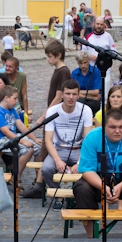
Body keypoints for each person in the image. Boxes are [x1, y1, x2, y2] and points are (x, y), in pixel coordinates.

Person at [73, 109, 122, 238]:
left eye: (121, 127)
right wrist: (103, 187)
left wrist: (119, 187)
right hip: (98, 179)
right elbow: (86, 170)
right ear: (104, 127)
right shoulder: (92, 137)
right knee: (81, 188)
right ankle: (93, 236)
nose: (117, 131)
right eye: (112, 127)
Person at [42, 80, 93, 209]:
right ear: (62, 94)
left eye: (74, 94)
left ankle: (78, 195)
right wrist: (57, 160)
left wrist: (80, 162)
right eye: (68, 93)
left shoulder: (85, 110)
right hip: (59, 148)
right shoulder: (53, 111)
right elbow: (48, 140)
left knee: (88, 169)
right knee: (47, 169)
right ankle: (58, 196)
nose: (71, 97)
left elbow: (87, 140)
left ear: (78, 95)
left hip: (79, 149)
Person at [0, 85, 42, 184]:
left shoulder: (12, 110)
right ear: (6, 98)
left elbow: (21, 126)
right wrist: (23, 141)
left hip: (13, 137)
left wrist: (35, 139)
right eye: (15, 98)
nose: (17, 101)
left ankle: (37, 181)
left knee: (38, 148)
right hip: (0, 140)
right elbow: (5, 132)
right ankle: (16, 177)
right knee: (27, 150)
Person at [85, 16, 116, 84]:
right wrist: (89, 56)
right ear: (94, 24)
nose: (99, 26)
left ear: (104, 25)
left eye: (101, 24)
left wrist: (104, 57)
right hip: (91, 68)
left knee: (105, 91)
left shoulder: (108, 36)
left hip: (105, 69)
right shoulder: (87, 37)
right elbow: (82, 52)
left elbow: (114, 51)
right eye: (97, 24)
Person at [45, 40, 72, 106]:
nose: (47, 59)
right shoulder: (58, 69)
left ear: (59, 55)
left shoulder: (63, 72)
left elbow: (59, 97)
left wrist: (47, 113)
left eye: (50, 56)